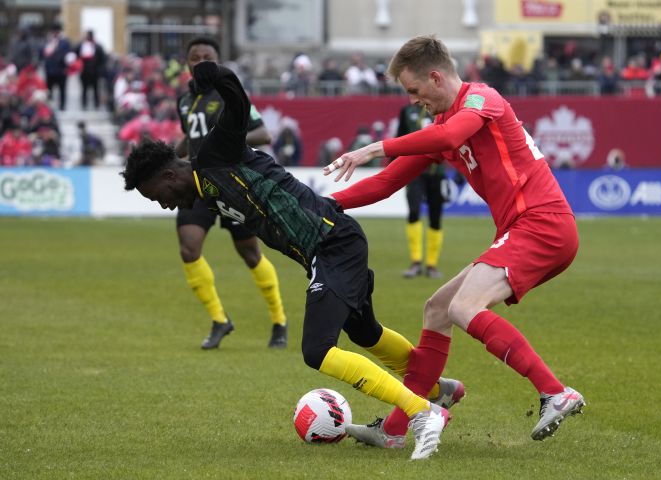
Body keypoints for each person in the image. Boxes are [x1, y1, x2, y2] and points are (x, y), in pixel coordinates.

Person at [121, 61, 461, 460]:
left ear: (167, 176)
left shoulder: (214, 155)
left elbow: (235, 102)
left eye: (155, 196)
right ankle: (440, 390)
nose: (162, 205)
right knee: (365, 332)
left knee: (317, 350)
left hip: (332, 242)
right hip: (327, 248)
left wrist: (217, 76)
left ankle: (422, 413)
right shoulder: (209, 192)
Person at [324, 34, 585, 447]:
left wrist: (376, 147)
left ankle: (555, 392)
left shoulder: (482, 99)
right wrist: (319, 204)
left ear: (435, 77)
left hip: (542, 223)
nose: (414, 101)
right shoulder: (443, 125)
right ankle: (393, 432)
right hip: (525, 229)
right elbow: (387, 183)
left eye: (415, 91)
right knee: (438, 309)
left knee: (464, 307)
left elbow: (446, 140)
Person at [174, 37, 287, 349]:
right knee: (189, 248)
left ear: (217, 62)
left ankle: (279, 321)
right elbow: (189, 136)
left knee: (250, 253)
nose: (199, 61)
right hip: (197, 184)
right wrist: (168, 158)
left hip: (232, 184)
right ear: (187, 63)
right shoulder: (185, 101)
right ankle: (219, 320)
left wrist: (224, 146)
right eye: (194, 57)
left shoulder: (229, 93)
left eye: (206, 56)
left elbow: (263, 133)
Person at [394, 103, 445, 279]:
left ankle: (431, 265)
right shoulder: (406, 111)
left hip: (436, 172)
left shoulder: (440, 109)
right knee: (414, 211)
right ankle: (415, 262)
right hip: (413, 171)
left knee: (435, 216)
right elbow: (398, 139)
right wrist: (395, 169)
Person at [40, 23, 72, 111]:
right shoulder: (47, 42)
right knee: (49, 90)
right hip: (50, 70)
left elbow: (69, 54)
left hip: (61, 70)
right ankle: (49, 107)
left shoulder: (65, 42)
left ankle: (62, 106)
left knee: (62, 90)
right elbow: (42, 53)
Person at [75, 30, 106, 110]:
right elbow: (75, 54)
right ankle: (84, 105)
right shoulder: (81, 46)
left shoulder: (97, 46)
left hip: (94, 72)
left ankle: (96, 105)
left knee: (95, 89)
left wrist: (100, 71)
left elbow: (102, 59)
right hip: (84, 71)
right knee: (84, 89)